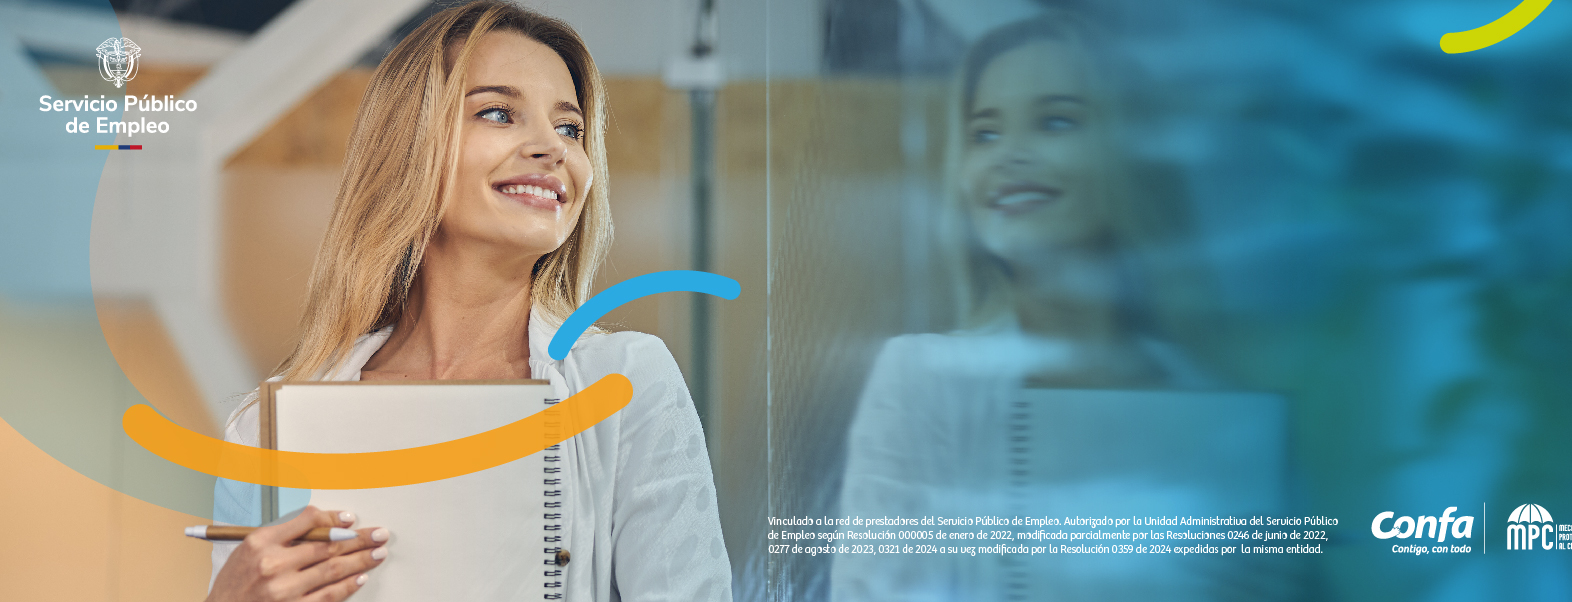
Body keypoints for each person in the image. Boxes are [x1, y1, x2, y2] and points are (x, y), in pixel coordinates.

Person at [204, 3, 731, 601]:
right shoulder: (264, 431)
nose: (552, 149)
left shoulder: (627, 385)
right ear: (410, 148)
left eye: (570, 128)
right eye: (500, 113)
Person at [832, 12, 1296, 601]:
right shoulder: (921, 383)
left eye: (1054, 122)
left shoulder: (1219, 416)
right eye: (985, 133)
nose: (1009, 157)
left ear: (1127, 154)